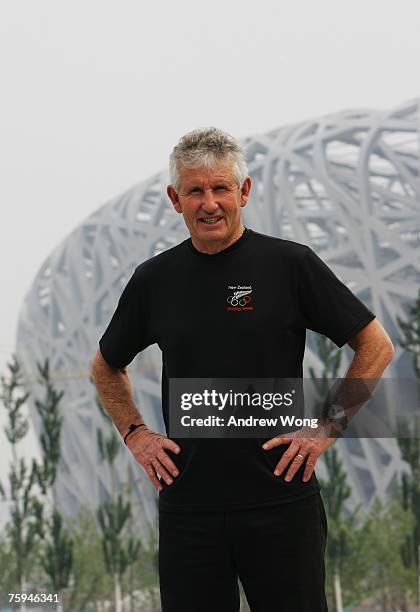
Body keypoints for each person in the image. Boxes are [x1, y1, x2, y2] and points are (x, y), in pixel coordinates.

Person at [91, 127, 394, 612]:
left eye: (220, 188)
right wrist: (136, 435)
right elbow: (106, 367)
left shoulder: (289, 265)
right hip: (190, 510)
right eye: (195, 191)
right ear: (176, 199)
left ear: (244, 192)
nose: (209, 203)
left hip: (281, 505)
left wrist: (325, 428)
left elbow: (376, 346)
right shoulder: (155, 280)